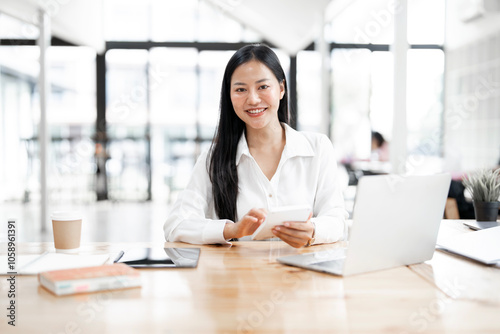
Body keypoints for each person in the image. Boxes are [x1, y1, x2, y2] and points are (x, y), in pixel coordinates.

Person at [163, 44, 348, 248]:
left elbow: (337, 219)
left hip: (303, 275)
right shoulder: (214, 157)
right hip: (238, 276)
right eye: (241, 89)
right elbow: (176, 225)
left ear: (281, 89)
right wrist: (231, 230)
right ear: (229, 95)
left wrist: (313, 230)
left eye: (263, 87)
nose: (252, 99)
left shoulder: (318, 148)